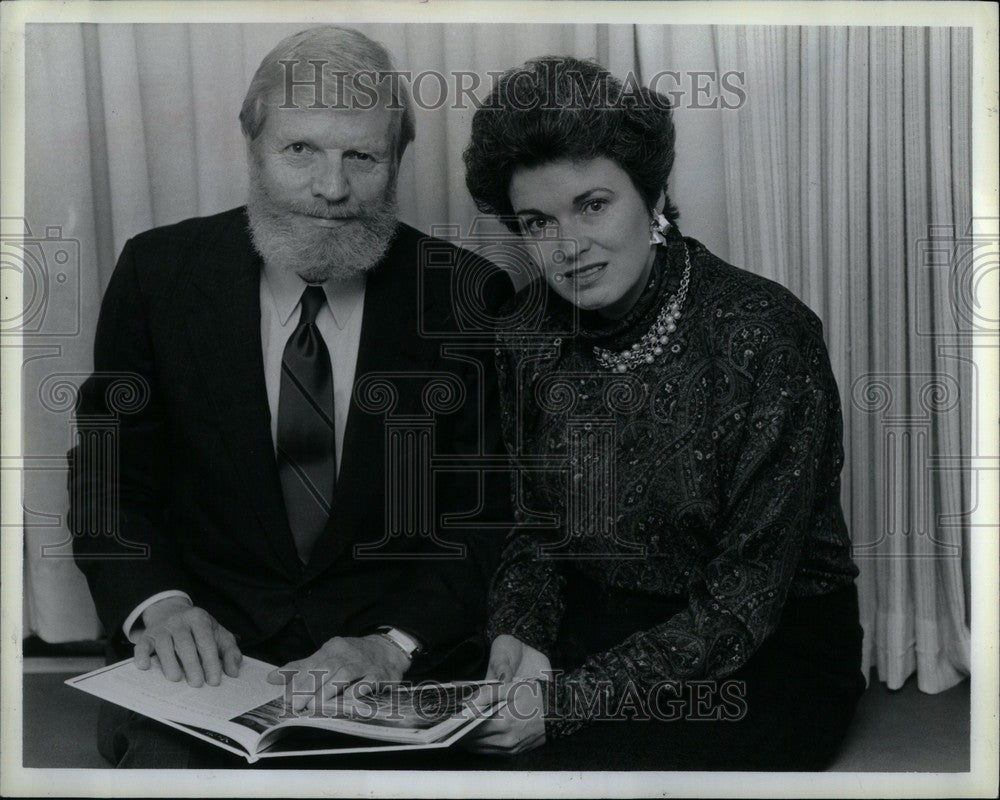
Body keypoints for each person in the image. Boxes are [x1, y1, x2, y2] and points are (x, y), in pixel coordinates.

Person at [69, 26, 512, 768]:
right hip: (202, 666)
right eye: (301, 149)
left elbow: (490, 513)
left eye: (361, 157)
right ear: (253, 144)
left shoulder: (468, 295)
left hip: (394, 671)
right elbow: (112, 479)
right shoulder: (157, 274)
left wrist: (393, 643)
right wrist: (161, 604)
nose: (332, 190)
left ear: (396, 160)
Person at [458, 56, 865, 770]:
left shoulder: (766, 333)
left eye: (592, 204)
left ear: (655, 197)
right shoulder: (524, 335)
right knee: (458, 747)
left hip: (768, 645)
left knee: (588, 776)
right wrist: (520, 640)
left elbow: (745, 601)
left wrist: (564, 705)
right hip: (603, 618)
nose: (569, 247)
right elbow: (537, 529)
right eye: (537, 221)